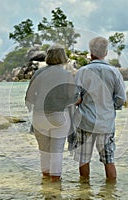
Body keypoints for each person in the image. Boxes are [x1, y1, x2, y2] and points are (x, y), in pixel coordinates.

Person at [73, 36, 126, 182]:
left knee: (83, 158)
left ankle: (84, 192)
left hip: (85, 121)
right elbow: (121, 98)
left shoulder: (82, 72)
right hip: (106, 122)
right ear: (106, 52)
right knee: (109, 159)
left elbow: (74, 97)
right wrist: (111, 106)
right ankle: (110, 193)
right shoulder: (114, 72)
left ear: (90, 53)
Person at [25, 44, 77, 182]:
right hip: (59, 117)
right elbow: (74, 98)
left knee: (44, 153)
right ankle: (55, 186)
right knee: (57, 153)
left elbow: (29, 97)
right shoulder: (67, 75)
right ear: (63, 57)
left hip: (38, 117)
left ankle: (46, 186)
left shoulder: (38, 73)